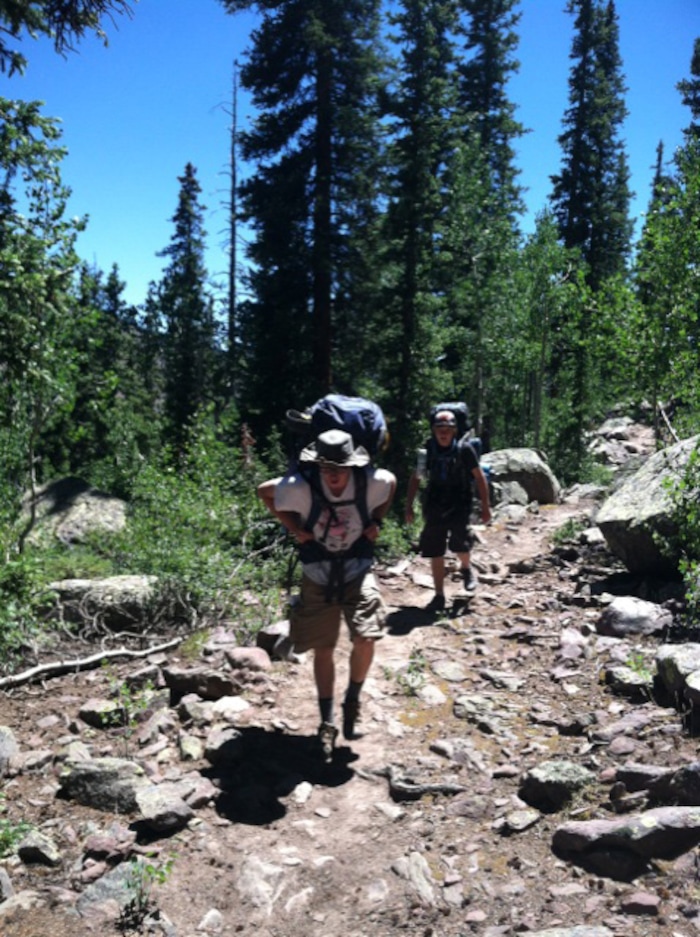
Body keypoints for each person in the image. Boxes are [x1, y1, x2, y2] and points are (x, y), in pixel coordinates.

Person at [257, 428, 396, 761]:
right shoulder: (300, 487)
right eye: (326, 467)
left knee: (366, 636)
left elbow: (390, 483)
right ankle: (327, 722)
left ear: (353, 465)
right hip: (316, 572)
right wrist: (294, 528)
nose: (333, 474)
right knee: (324, 648)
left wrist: (377, 519)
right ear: (316, 466)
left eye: (340, 467)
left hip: (357, 567)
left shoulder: (371, 483)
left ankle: (352, 700)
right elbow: (264, 491)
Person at [404, 409, 491, 613]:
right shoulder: (427, 450)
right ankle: (439, 596)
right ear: (434, 430)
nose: (443, 433)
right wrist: (409, 505)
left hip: (460, 500)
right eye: (439, 428)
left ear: (454, 431)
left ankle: (467, 569)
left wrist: (486, 507)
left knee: (460, 542)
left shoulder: (465, 450)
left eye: (448, 429)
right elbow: (416, 477)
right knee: (435, 549)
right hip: (435, 502)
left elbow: (479, 478)